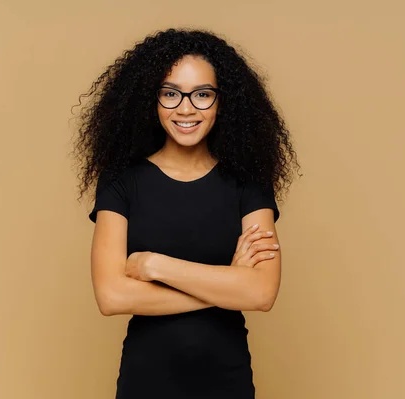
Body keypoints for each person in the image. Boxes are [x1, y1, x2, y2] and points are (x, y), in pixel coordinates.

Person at [72, 28, 299, 399]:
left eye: (203, 95)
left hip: (227, 381)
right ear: (153, 99)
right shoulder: (121, 183)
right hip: (145, 382)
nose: (186, 107)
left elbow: (261, 292)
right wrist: (228, 284)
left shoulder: (249, 185)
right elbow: (111, 296)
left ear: (222, 102)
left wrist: (155, 266)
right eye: (171, 93)